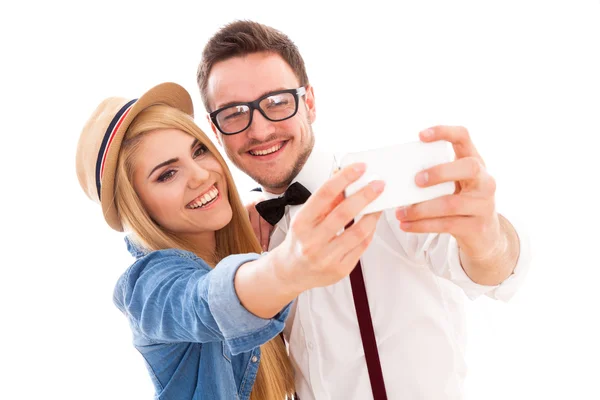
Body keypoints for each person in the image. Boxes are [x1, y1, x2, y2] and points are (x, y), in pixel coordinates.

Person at [196, 20, 532, 399]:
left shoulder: (384, 187)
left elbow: (491, 271)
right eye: (235, 113)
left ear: (309, 103)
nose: (258, 131)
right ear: (214, 128)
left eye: (276, 102)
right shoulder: (247, 236)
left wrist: (489, 240)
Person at [75, 82, 386, 399]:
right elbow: (202, 302)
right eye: (167, 174)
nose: (200, 175)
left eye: (199, 151)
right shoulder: (147, 288)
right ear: (138, 206)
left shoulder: (250, 239)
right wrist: (286, 268)